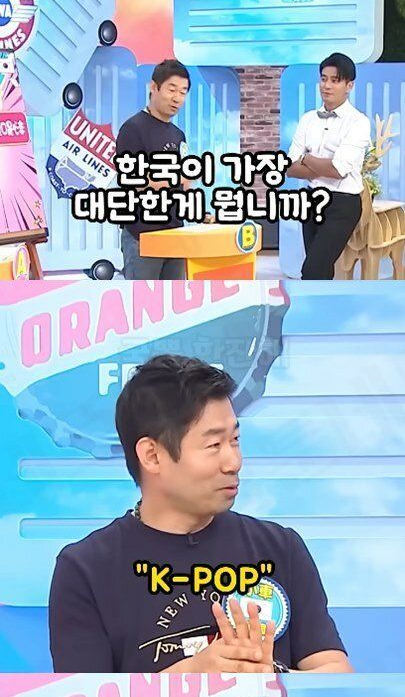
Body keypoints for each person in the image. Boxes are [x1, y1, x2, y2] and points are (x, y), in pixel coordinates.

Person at [49, 355, 353, 674]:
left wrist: (272, 679)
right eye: (214, 445)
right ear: (152, 456)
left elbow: (335, 673)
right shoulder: (86, 570)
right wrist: (192, 679)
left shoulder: (280, 548)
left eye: (235, 440)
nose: (233, 462)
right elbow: (82, 692)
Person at [286, 52, 371, 280]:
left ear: (349, 85)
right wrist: (319, 164)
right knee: (321, 271)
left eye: (335, 80)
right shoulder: (308, 119)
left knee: (311, 270)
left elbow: (337, 170)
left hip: (343, 204)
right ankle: (323, 303)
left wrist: (306, 158)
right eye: (323, 79)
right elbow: (290, 167)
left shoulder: (358, 122)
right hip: (311, 200)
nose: (327, 85)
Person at [116, 60, 191, 280]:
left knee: (174, 298)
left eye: (183, 92)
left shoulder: (178, 135)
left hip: (175, 233)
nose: (177, 98)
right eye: (171, 89)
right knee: (142, 298)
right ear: (153, 87)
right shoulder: (133, 128)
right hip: (142, 236)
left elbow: (185, 182)